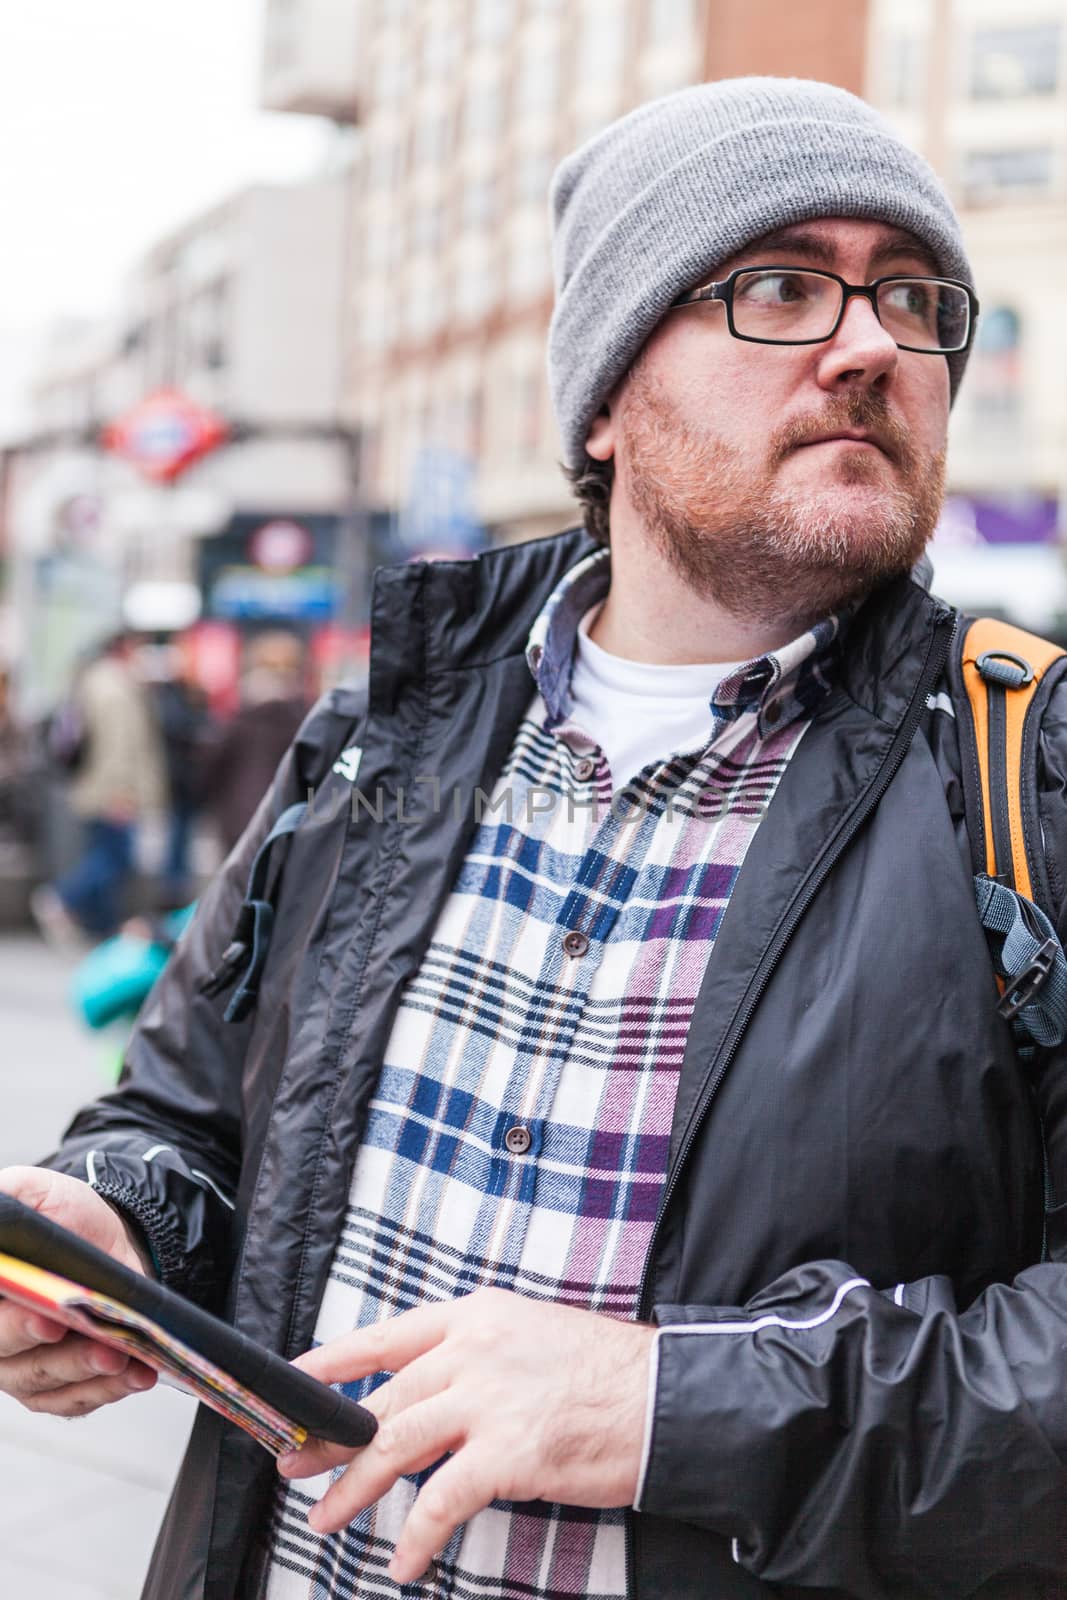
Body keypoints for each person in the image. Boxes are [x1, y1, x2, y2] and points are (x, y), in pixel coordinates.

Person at [1, 76, 1065, 1600]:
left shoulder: (1025, 777)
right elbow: (188, 1119)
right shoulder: (386, 739)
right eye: (777, 285)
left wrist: (658, 1408)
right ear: (605, 394)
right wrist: (116, 1232)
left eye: (915, 298)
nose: (871, 344)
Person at [31, 631, 168, 943]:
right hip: (111, 792)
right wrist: (120, 793)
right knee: (114, 858)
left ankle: (101, 927)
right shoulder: (115, 688)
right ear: (125, 648)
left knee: (107, 856)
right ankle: (64, 899)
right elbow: (119, 747)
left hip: (97, 787)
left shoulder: (97, 682)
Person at [203, 630, 307, 855]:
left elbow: (213, 763)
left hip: (238, 813)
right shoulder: (306, 714)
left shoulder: (241, 711)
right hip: (289, 815)